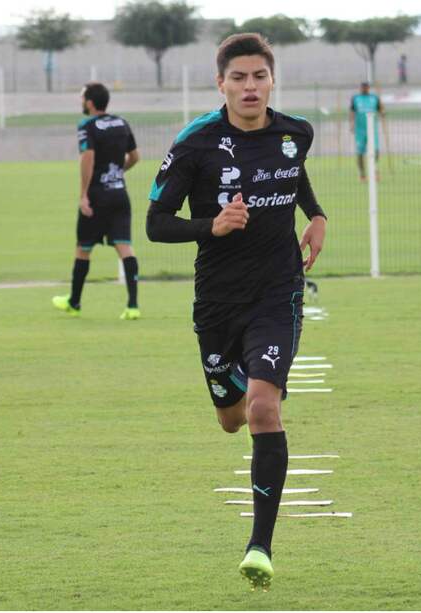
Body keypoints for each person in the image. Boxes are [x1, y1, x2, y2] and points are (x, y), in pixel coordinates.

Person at [145, 33, 327, 590]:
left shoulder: (297, 132)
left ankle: (260, 547)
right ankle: (239, 382)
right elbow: (156, 224)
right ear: (220, 83)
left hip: (279, 293)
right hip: (218, 302)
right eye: (239, 78)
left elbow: (292, 175)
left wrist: (316, 215)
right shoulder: (196, 143)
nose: (250, 87)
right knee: (231, 418)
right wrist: (213, 226)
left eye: (259, 77)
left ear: (273, 80)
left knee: (263, 409)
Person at [52, 82, 141, 320]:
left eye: (82, 97)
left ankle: (74, 302)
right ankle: (133, 306)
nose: (81, 101)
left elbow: (88, 158)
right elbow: (135, 157)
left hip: (97, 195)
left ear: (90, 102)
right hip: (120, 194)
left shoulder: (87, 126)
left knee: (83, 248)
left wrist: (83, 194)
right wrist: (117, 173)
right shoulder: (121, 122)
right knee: (124, 246)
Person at [349, 81, 384, 182]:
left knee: (375, 151)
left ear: (368, 88)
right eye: (362, 87)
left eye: (366, 87)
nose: (364, 89)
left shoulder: (374, 98)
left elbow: (381, 110)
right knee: (360, 152)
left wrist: (382, 112)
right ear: (360, 88)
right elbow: (352, 111)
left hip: (373, 130)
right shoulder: (356, 98)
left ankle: (374, 170)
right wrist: (351, 124)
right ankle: (362, 174)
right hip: (360, 130)